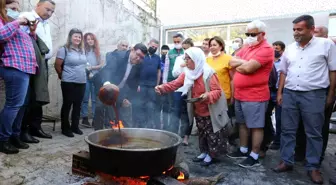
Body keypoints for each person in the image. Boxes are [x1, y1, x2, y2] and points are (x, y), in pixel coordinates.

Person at [272, 15, 336, 184]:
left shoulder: (326, 44)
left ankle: (313, 167)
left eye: (299, 29)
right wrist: (280, 93)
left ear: (311, 29)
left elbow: (333, 71)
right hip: (290, 94)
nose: (295, 33)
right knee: (287, 130)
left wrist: (330, 96)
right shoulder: (291, 48)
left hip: (314, 95)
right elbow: (283, 72)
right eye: (294, 30)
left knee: (314, 133)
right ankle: (286, 161)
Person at [155, 47, 229, 166]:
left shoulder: (208, 73)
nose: (185, 61)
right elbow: (175, 84)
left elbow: (217, 91)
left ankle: (212, 155)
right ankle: (204, 152)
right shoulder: (188, 73)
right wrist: (162, 88)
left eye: (188, 58)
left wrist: (207, 95)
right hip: (198, 109)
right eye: (185, 58)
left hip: (211, 109)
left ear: (196, 59)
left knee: (212, 133)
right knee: (202, 132)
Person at [226, 20, 274, 168]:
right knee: (242, 124)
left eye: (252, 34)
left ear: (262, 34)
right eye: (247, 34)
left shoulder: (266, 49)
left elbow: (248, 69)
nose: (249, 37)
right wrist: (244, 62)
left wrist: (242, 63)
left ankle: (254, 155)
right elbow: (231, 62)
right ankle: (243, 149)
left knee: (256, 126)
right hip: (240, 94)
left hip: (255, 96)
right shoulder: (247, 46)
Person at [0, 0, 37, 154]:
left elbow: (28, 44)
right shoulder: (5, 23)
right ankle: (3, 139)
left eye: (18, 9)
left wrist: (32, 32)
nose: (16, 11)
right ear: (4, 8)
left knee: (21, 105)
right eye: (12, 8)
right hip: (14, 67)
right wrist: (17, 22)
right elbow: (1, 36)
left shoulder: (17, 27)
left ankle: (15, 135)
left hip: (25, 69)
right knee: (13, 105)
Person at [19, 0, 55, 143]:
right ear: (38, 6)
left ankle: (35, 127)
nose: (50, 13)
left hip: (43, 62)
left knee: (38, 96)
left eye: (52, 11)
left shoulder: (46, 23)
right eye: (47, 9)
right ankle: (23, 130)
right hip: (30, 63)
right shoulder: (27, 16)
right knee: (28, 98)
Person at [93, 43, 147, 130]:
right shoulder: (118, 55)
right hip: (104, 84)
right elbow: (108, 70)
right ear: (132, 50)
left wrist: (127, 98)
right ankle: (97, 133)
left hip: (119, 89)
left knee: (124, 107)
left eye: (142, 58)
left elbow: (134, 83)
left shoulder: (139, 65)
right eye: (138, 55)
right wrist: (107, 85)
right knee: (100, 107)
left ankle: (123, 134)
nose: (138, 59)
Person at [54, 28, 87, 138]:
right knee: (67, 104)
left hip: (82, 82)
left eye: (79, 36)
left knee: (78, 105)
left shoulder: (83, 50)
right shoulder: (64, 49)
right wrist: (62, 75)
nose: (77, 38)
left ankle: (75, 126)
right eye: (75, 36)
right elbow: (57, 65)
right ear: (70, 37)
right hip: (68, 81)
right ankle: (65, 128)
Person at [172, 38, 193, 145]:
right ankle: (174, 135)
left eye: (188, 49)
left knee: (187, 113)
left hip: (190, 90)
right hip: (179, 89)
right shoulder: (179, 58)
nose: (186, 51)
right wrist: (181, 67)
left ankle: (186, 137)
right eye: (184, 49)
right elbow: (174, 74)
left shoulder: (196, 59)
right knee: (176, 112)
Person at [162, 33, 184, 133]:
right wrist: (164, 82)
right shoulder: (170, 52)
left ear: (182, 41)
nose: (176, 43)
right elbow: (166, 68)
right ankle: (173, 129)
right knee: (172, 106)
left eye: (178, 42)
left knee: (182, 107)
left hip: (184, 83)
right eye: (175, 42)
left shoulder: (186, 52)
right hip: (171, 83)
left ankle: (183, 131)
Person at [80, 33, 104, 128]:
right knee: (85, 98)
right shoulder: (83, 51)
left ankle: (95, 118)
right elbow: (82, 63)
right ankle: (84, 118)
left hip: (96, 77)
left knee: (95, 99)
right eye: (88, 39)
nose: (90, 41)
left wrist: (92, 68)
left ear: (94, 40)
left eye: (91, 39)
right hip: (85, 77)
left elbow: (102, 64)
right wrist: (87, 69)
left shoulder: (98, 52)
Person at [137, 39, 161, 128]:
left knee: (151, 105)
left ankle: (149, 124)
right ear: (148, 44)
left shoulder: (157, 57)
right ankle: (141, 125)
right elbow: (137, 70)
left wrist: (157, 84)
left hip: (152, 86)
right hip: (142, 85)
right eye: (152, 46)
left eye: (155, 47)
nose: (154, 48)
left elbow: (159, 71)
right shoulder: (142, 56)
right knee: (141, 104)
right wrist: (138, 84)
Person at [269, 41, 286, 150]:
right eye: (273, 49)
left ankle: (278, 141)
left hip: (281, 92)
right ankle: (271, 135)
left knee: (280, 118)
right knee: (266, 116)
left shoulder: (284, 61)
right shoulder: (269, 61)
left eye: (277, 49)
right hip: (269, 91)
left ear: (282, 50)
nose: (275, 51)